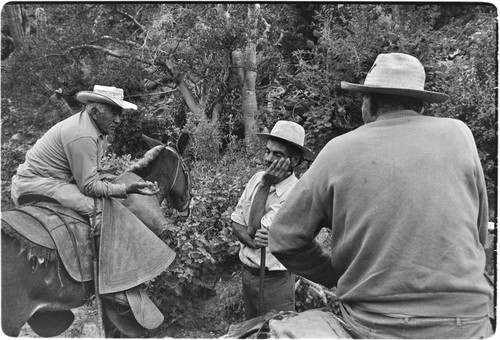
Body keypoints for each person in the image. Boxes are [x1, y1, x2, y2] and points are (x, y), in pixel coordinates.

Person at [269, 53, 493, 338]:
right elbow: (479, 234)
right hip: (470, 321)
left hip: (378, 325)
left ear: (369, 104)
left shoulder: (339, 150)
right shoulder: (459, 134)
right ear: (422, 105)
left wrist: (336, 275)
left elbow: (283, 238)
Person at [11, 85, 159, 219]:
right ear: (95, 112)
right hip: (37, 184)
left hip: (54, 180)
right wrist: (126, 188)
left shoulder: (98, 128)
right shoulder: (84, 135)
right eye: (114, 114)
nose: (118, 120)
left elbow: (94, 172)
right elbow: (89, 186)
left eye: (119, 114)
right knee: (105, 211)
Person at [231, 120, 315, 320]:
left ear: (294, 161)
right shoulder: (256, 177)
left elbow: (252, 227)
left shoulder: (296, 192)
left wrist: (264, 186)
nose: (268, 159)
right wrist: (252, 242)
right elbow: (235, 223)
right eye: (267, 151)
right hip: (249, 274)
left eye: (277, 154)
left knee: (276, 331)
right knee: (251, 331)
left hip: (274, 281)